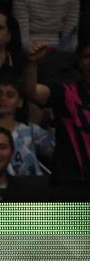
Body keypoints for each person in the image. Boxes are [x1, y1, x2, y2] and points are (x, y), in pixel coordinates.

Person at [23, 41, 90, 186]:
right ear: (79, 62)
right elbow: (31, 93)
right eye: (86, 56)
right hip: (69, 183)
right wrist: (32, 64)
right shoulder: (65, 92)